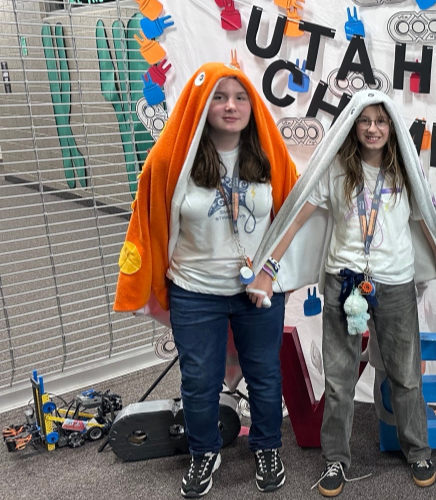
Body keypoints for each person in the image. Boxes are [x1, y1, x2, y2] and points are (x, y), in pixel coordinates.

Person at [250, 90, 436, 497]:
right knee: (340, 378)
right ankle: (335, 460)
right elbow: (295, 217)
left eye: (381, 121)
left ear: (391, 126)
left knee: (406, 374)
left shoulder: (405, 174)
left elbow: (428, 224)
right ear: (353, 125)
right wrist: (269, 268)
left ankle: (418, 451)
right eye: (365, 120)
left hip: (395, 282)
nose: (373, 128)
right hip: (343, 282)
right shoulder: (335, 170)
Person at [113, 61, 299, 498]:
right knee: (199, 381)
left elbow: (293, 216)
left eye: (239, 97)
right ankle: (203, 453)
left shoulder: (269, 155)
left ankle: (267, 447)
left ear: (252, 106)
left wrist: (270, 274)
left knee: (266, 376)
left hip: (258, 291)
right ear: (201, 103)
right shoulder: (172, 157)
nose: (230, 106)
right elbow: (151, 220)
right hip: (195, 291)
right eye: (219, 96)